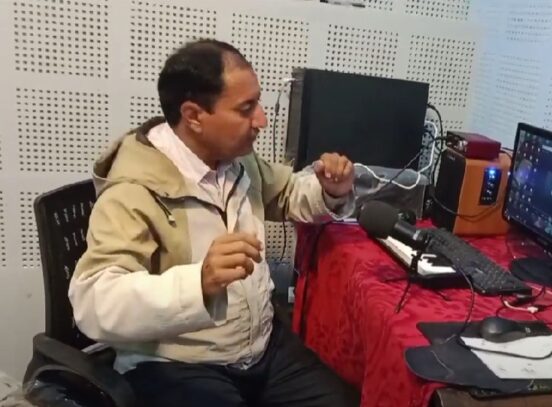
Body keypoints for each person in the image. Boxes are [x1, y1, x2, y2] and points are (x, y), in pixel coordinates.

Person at [68, 39, 359, 407]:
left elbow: (286, 192)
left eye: (258, 103)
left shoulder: (237, 160)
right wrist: (199, 282)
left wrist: (330, 190)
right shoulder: (134, 191)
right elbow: (94, 301)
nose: (262, 120)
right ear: (193, 115)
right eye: (246, 108)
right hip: (178, 362)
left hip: (261, 348)